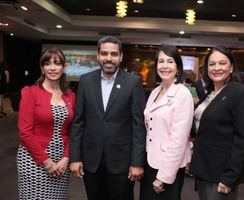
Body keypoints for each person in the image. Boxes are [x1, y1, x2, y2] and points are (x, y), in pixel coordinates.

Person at [70, 36, 146, 200]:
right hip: (91, 162)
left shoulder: (133, 82)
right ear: (98, 56)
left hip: (122, 164)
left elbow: (138, 126)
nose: (109, 58)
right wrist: (75, 157)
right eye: (104, 53)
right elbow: (78, 123)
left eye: (113, 54)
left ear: (121, 57)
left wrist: (137, 162)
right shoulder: (85, 81)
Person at [190, 46, 244, 200]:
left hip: (222, 173)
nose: (216, 68)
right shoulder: (211, 93)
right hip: (204, 169)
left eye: (222, 63)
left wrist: (229, 177)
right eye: (212, 64)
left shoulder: (239, 92)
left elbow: (243, 139)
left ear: (231, 67)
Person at [17, 48, 75, 199]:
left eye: (57, 63)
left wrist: (67, 157)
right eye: (47, 63)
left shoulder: (70, 96)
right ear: (42, 68)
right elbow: (25, 133)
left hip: (62, 163)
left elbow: (72, 130)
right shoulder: (30, 93)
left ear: (64, 67)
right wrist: (46, 162)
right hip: (33, 160)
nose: (53, 68)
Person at [140, 45, 194, 200]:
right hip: (150, 161)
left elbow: (179, 139)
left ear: (178, 67)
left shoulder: (183, 94)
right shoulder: (155, 92)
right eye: (161, 61)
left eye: (170, 61)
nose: (164, 66)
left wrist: (164, 176)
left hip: (168, 167)